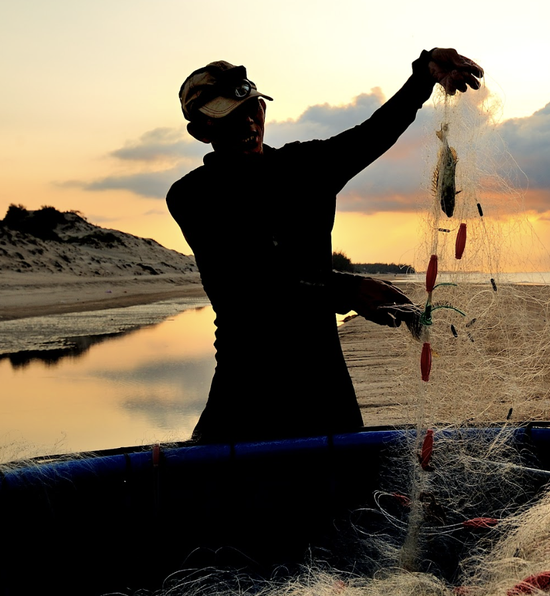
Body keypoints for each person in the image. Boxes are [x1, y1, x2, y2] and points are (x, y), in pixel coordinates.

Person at [169, 49, 483, 443]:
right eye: (229, 115)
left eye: (252, 107)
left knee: (349, 499)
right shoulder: (192, 196)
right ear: (202, 131)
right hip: (246, 393)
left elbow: (372, 135)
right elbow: (249, 278)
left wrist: (424, 76)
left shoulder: (305, 167)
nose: (248, 121)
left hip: (324, 389)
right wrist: (347, 289)